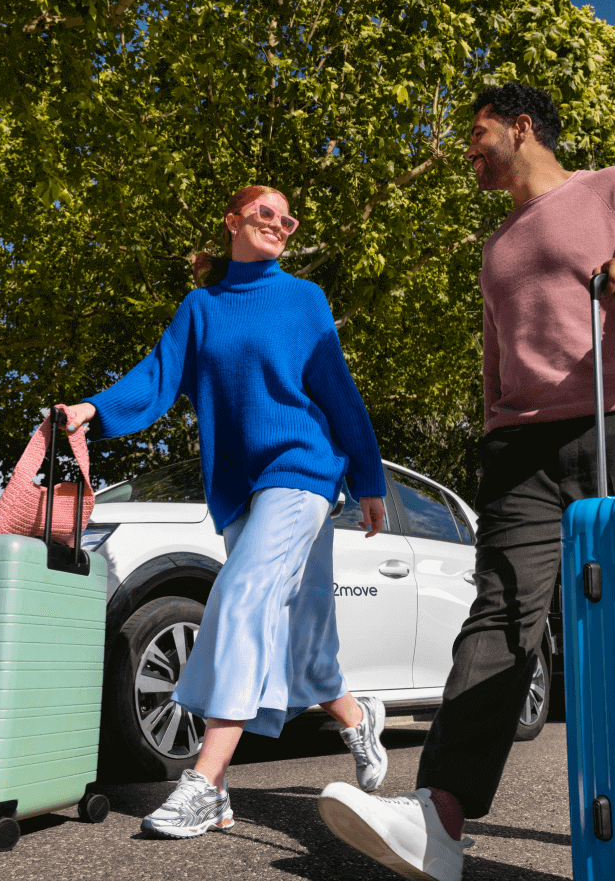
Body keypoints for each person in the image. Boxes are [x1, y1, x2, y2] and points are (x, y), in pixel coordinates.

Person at [317, 82, 615, 880]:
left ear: (519, 127)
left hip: (613, 422)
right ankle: (438, 817)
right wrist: (496, 434)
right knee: (499, 612)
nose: (468, 149)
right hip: (519, 452)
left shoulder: (609, 187)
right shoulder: (496, 248)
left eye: (477, 132)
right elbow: (498, 359)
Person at [63, 184, 390, 839]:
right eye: (265, 212)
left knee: (239, 598)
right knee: (303, 643)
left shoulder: (303, 299)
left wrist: (369, 475)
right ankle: (358, 717)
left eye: (287, 217)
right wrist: (91, 409)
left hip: (301, 471)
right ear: (232, 221)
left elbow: (338, 391)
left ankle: (205, 781)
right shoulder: (201, 307)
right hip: (241, 489)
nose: (279, 223)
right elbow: (155, 376)